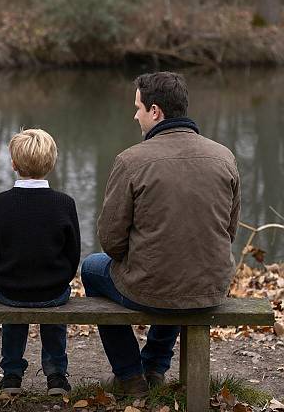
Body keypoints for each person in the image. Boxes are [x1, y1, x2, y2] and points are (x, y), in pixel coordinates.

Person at [81, 72, 240, 397]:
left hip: (154, 285)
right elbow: (230, 230)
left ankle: (130, 375)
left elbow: (110, 241)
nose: (134, 114)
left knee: (91, 269)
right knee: (175, 266)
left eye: (138, 107)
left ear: (155, 112)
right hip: (211, 284)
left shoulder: (131, 160)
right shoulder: (225, 157)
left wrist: (139, 255)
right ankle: (154, 366)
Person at [0, 129, 81, 396]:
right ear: (51, 163)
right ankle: (56, 375)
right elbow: (73, 254)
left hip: (10, 290)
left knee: (13, 320)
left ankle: (12, 375)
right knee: (54, 315)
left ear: (13, 164)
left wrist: (4, 277)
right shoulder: (65, 203)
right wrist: (60, 277)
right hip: (53, 291)